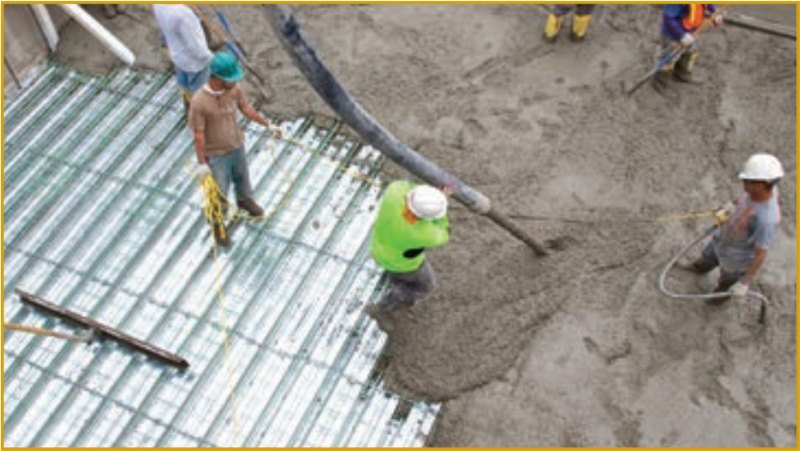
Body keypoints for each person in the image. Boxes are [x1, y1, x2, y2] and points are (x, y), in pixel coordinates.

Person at [188, 51, 281, 247]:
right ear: (217, 78)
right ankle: (217, 224)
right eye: (229, 79)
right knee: (219, 191)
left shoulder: (234, 89)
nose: (234, 82)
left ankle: (244, 201)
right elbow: (199, 135)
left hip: (236, 145)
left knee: (242, 178)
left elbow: (245, 107)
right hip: (216, 155)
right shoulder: (199, 102)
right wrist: (202, 163)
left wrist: (267, 124)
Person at [688, 154, 783, 304]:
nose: (743, 183)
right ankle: (700, 268)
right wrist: (731, 206)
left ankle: (717, 299)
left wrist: (744, 283)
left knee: (727, 283)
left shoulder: (766, 221)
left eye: (747, 181)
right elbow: (745, 198)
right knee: (707, 258)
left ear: (759, 184)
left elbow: (760, 253)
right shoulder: (766, 188)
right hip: (721, 241)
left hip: (735, 260)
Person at [367, 181, 451, 316]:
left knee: (396, 275)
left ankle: (396, 281)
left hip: (378, 249)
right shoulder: (426, 234)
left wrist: (432, 195)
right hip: (404, 266)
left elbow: (407, 186)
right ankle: (391, 302)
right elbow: (445, 233)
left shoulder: (393, 192)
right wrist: (441, 206)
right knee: (426, 286)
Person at [153, 5, 213, 112]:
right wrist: (213, 59)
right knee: (199, 92)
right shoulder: (183, 15)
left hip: (178, 55)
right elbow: (197, 49)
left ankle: (188, 107)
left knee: (185, 86)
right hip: (195, 63)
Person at [655, 4, 722, 86]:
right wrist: (681, 35)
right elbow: (668, 19)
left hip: (690, 32)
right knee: (668, 59)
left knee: (690, 52)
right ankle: (660, 82)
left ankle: (682, 73)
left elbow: (708, 4)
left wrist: (714, 14)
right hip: (673, 35)